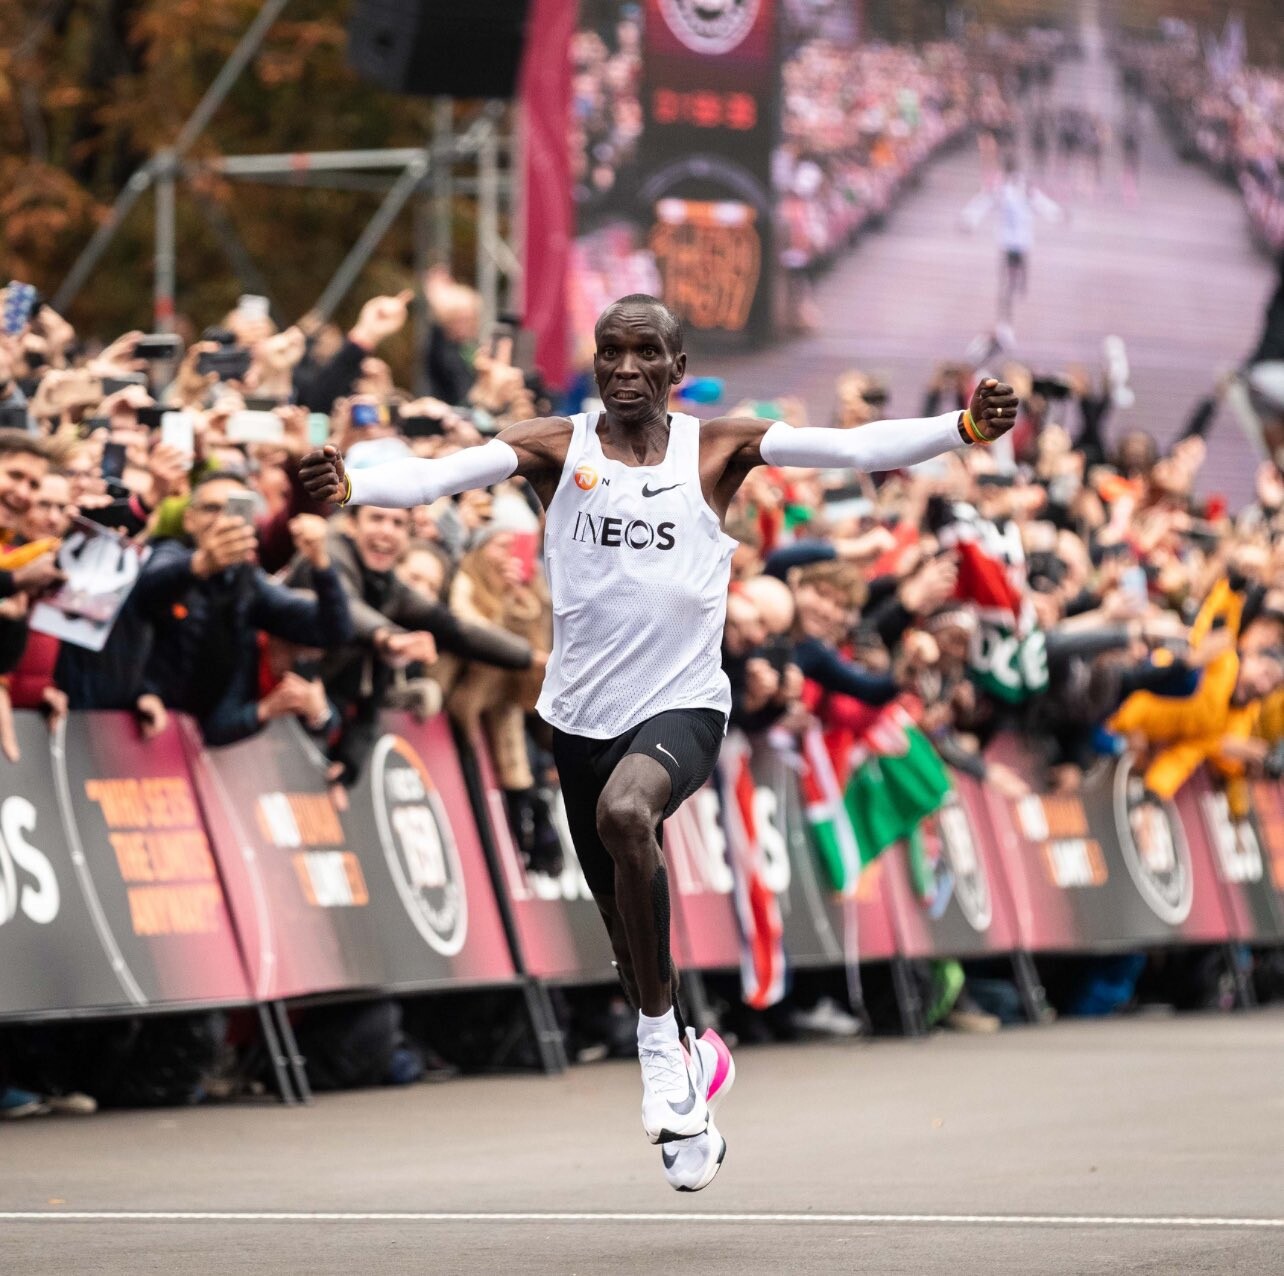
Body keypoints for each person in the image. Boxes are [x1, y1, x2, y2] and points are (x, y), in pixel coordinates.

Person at [301, 293, 1020, 1192]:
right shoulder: (557, 446)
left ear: (678, 369)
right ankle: (690, 1070)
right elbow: (437, 475)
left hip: (684, 704)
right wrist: (356, 484)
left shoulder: (716, 449)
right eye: (611, 352)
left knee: (627, 813)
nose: (626, 369)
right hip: (577, 718)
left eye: (647, 354)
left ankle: (653, 1048)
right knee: (625, 927)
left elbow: (854, 448)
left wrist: (961, 428)